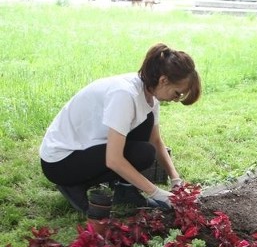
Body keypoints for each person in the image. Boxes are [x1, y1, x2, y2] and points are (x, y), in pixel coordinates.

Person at [40, 43, 201, 213]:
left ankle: (125, 190)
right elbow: (113, 160)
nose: (176, 100)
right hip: (61, 161)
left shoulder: (149, 93)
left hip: (85, 149)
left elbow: (155, 141)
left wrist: (176, 180)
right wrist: (156, 193)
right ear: (163, 80)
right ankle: (74, 185)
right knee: (142, 153)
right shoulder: (124, 95)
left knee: (146, 143)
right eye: (177, 93)